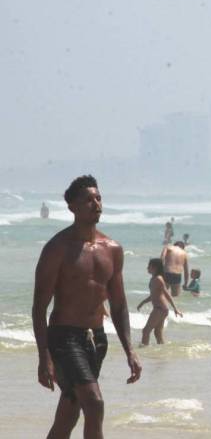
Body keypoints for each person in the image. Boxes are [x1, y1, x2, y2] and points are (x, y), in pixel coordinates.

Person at [33, 175, 143, 439]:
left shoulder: (113, 249)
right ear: (72, 207)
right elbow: (39, 308)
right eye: (88, 200)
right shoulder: (57, 249)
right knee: (94, 404)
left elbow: (118, 304)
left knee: (68, 415)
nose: (96, 204)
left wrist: (130, 350)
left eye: (98, 198)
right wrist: (43, 357)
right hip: (64, 337)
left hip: (96, 340)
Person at [137, 257, 182, 345]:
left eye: (149, 266)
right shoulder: (155, 278)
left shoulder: (158, 279)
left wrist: (175, 308)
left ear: (155, 268)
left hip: (160, 309)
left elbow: (166, 294)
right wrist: (143, 302)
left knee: (146, 331)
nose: (147, 268)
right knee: (157, 333)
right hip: (162, 309)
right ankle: (162, 351)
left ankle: (143, 350)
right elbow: (155, 294)